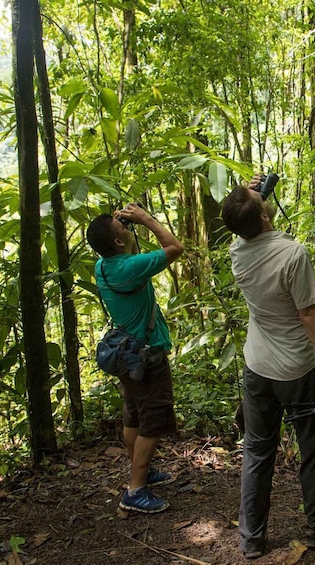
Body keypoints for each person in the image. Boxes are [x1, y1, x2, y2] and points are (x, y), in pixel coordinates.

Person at [221, 177, 315, 559]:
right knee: (314, 449)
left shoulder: (237, 250)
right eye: (259, 200)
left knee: (257, 451)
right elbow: (308, 315)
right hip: (297, 370)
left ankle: (251, 539)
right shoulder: (292, 254)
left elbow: (242, 222)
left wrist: (245, 199)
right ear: (265, 216)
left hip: (257, 368)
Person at [86, 203, 184, 514]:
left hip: (126, 354)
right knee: (152, 420)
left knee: (134, 415)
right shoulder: (130, 268)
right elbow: (174, 247)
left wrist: (116, 229)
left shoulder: (103, 266)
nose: (128, 230)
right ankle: (136, 488)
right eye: (123, 230)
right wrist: (145, 218)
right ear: (117, 242)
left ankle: (140, 471)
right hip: (146, 356)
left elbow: (116, 245)